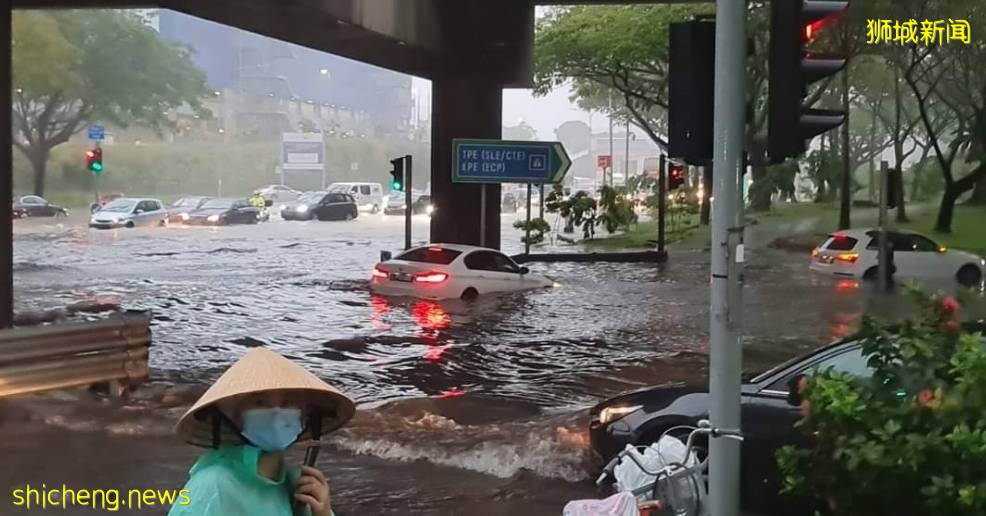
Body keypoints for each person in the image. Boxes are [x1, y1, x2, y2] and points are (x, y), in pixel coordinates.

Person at [168, 348, 355, 516]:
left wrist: (322, 512)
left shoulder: (296, 485)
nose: (276, 413)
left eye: (288, 402)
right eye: (259, 402)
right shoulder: (211, 486)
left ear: (305, 415)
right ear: (234, 417)